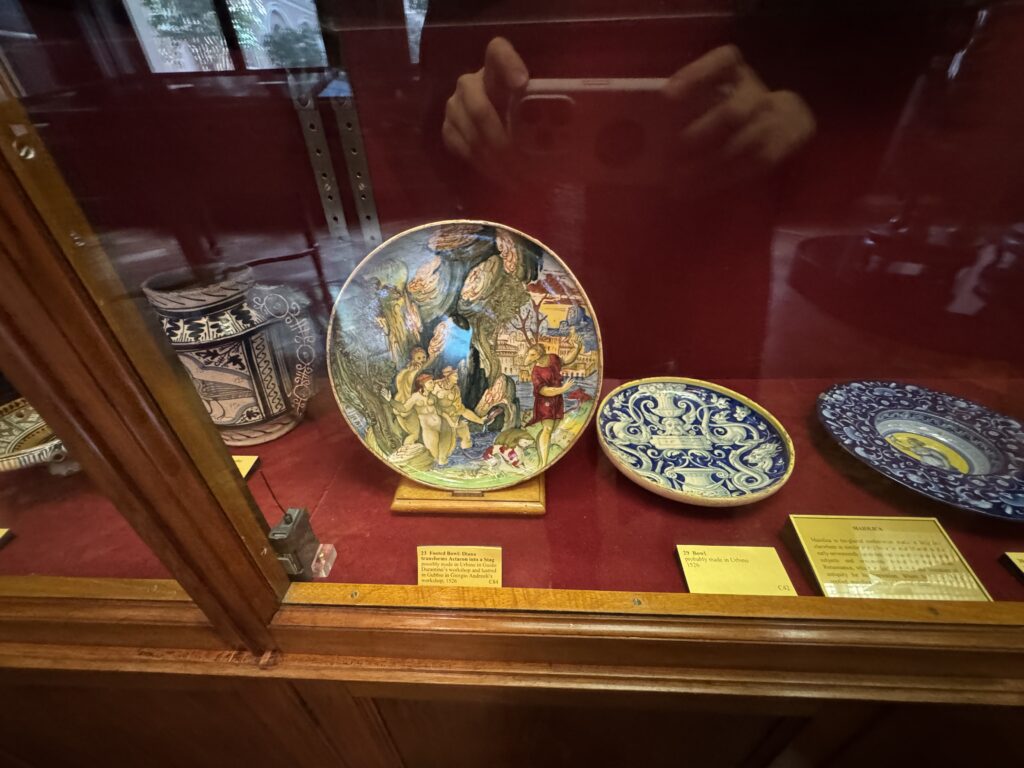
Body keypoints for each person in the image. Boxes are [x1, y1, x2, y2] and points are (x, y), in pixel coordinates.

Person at [522, 333, 582, 465]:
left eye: (532, 354)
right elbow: (544, 391)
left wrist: (577, 349)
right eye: (529, 355)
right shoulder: (536, 372)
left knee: (552, 428)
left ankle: (540, 450)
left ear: (540, 354)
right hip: (545, 402)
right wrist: (563, 389)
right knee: (548, 429)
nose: (529, 357)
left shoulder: (553, 358)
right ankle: (544, 462)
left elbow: (566, 361)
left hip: (557, 400)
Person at [435, 366, 488, 453]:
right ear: (447, 376)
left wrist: (480, 420)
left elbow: (462, 410)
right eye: (455, 375)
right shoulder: (435, 386)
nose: (458, 378)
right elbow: (432, 407)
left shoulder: (456, 390)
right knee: (446, 448)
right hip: (439, 422)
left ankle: (469, 457)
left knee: (467, 440)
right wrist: (448, 421)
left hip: (454, 421)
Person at [393, 347, 430, 445]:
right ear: (413, 359)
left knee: (416, 434)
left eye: (424, 357)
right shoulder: (414, 371)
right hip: (407, 406)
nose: (422, 360)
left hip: (402, 404)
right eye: (419, 358)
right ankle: (406, 451)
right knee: (414, 434)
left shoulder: (409, 370)